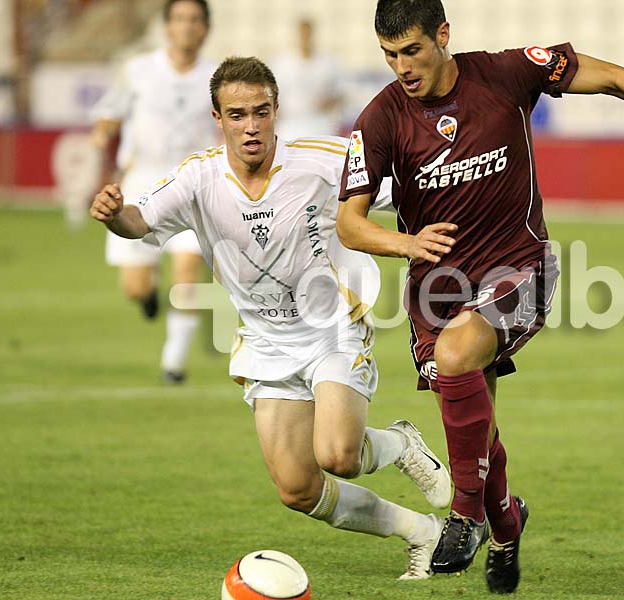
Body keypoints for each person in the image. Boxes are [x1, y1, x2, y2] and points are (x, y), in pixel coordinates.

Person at [335, 0, 624, 593]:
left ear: (443, 35)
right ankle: (506, 522)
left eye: (411, 50)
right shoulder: (380, 119)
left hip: (521, 267)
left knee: (459, 358)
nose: (401, 67)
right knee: (475, 427)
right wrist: (403, 241)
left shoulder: (507, 73)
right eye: (389, 55)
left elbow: (615, 78)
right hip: (437, 290)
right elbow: (350, 224)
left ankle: (463, 519)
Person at [89, 56, 453, 580]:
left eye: (261, 111)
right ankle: (420, 532)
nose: (251, 125)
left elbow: (407, 189)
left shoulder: (321, 159)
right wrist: (113, 214)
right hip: (266, 342)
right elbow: (138, 221)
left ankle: (398, 443)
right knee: (298, 489)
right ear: (218, 118)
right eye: (237, 114)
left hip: (332, 326)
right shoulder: (197, 177)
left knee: (339, 455)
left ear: (277, 110)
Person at [90, 0, 218, 383]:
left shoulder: (215, 76)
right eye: (180, 19)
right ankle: (147, 295)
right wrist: (103, 134)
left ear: (206, 28)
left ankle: (173, 363)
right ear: (166, 27)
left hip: (189, 182)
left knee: (187, 271)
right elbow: (110, 112)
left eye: (195, 19)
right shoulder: (139, 70)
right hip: (141, 182)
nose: (187, 26)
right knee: (135, 286)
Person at [270, 18, 344, 140]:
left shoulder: (328, 63)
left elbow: (340, 95)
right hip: (289, 125)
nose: (305, 37)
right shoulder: (282, 63)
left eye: (308, 33)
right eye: (302, 33)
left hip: (320, 124)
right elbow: (271, 93)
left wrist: (329, 102)